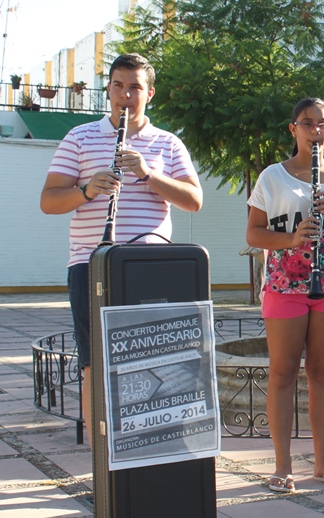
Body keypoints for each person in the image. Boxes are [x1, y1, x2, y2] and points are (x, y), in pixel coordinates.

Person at [39, 53, 203, 444]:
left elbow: (194, 199)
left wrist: (149, 174)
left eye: (134, 87)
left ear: (150, 93)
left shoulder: (167, 142)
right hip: (91, 263)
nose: (124, 95)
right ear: (108, 89)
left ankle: (146, 443)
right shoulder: (79, 137)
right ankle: (102, 453)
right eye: (117, 86)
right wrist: (85, 190)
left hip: (149, 262)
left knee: (151, 360)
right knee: (94, 362)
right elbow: (48, 201)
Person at [245, 98, 324, 493]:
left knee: (322, 373)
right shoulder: (272, 177)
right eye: (307, 123)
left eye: (322, 124)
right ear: (293, 128)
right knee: (281, 373)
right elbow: (254, 234)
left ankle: (323, 462)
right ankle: (281, 467)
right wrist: (293, 238)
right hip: (284, 284)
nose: (315, 131)